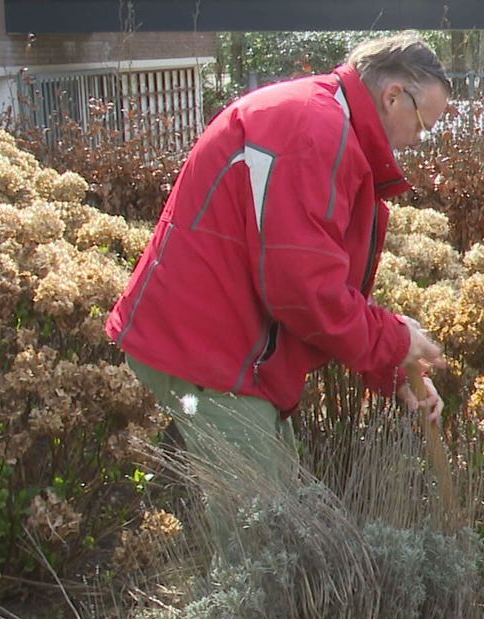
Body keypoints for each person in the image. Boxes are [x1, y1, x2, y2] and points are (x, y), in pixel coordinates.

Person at [106, 34, 450, 479]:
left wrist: (393, 367)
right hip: (204, 354)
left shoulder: (324, 122)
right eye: (424, 124)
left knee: (283, 511)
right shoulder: (314, 131)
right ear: (393, 96)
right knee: (263, 529)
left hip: (216, 349)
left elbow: (314, 281)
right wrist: (396, 342)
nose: (419, 140)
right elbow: (304, 291)